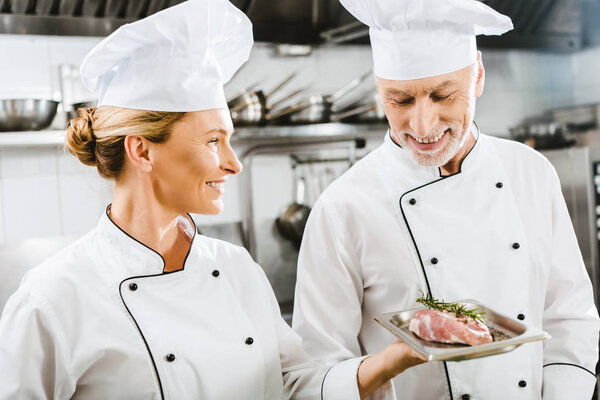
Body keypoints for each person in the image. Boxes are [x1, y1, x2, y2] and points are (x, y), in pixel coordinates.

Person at [0, 1, 427, 399]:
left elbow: (294, 384)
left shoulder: (236, 268)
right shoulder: (54, 298)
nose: (234, 164)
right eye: (212, 141)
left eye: (230, 140)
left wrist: (396, 357)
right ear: (142, 151)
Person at [292, 0, 600, 399]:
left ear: (477, 78)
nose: (422, 126)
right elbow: (317, 370)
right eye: (400, 101)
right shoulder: (342, 208)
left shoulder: (531, 172)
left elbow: (569, 314)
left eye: (442, 95)